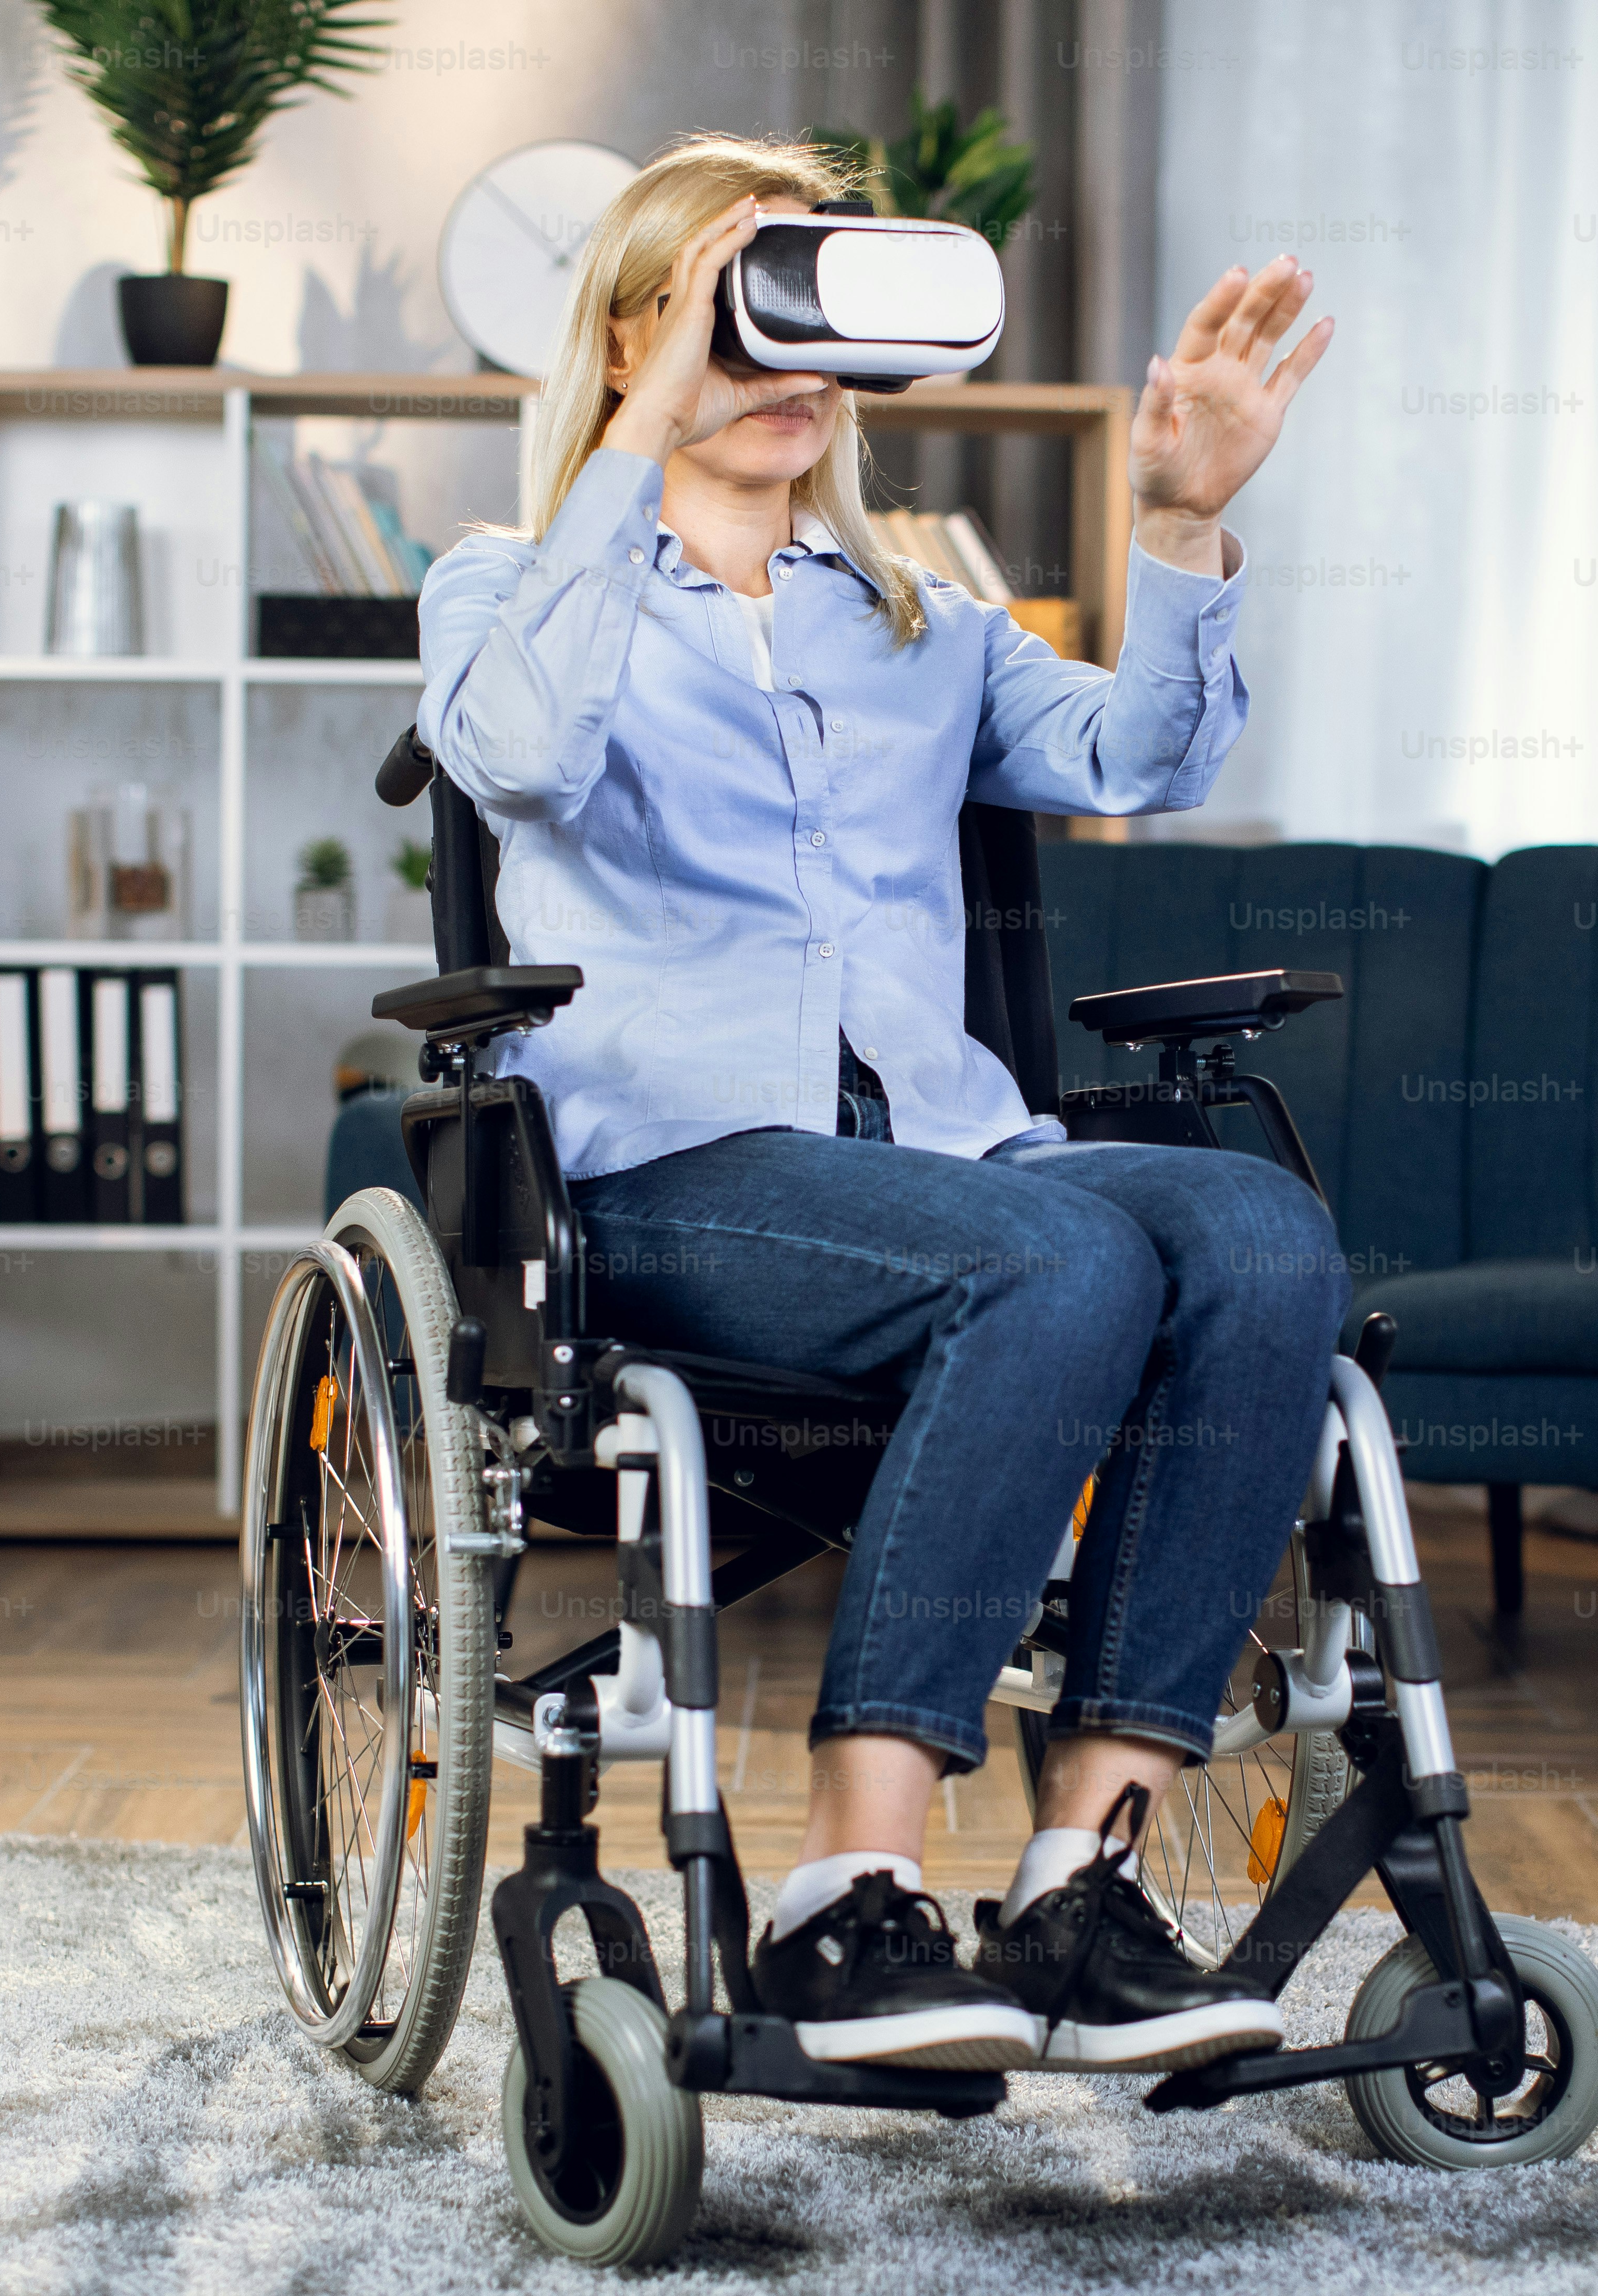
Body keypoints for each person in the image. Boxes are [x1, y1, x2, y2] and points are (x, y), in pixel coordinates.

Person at [413, 133, 1340, 2077]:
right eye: (740, 306)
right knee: (1062, 1254)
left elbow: (1140, 755)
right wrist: (636, 434)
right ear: (632, 336)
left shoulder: (909, 615)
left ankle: (1081, 1883)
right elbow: (509, 749)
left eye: (815, 312)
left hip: (940, 1161)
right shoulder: (510, 583)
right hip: (665, 1176)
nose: (786, 354)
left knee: (1256, 1227)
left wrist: (1177, 520)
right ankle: (854, 1888)